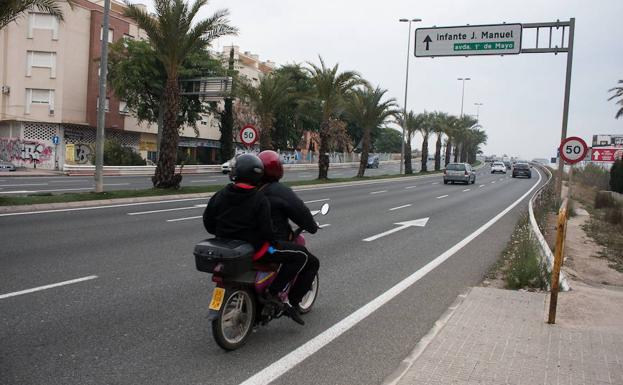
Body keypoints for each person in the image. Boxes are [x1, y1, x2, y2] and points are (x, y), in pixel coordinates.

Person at [202, 153, 305, 325]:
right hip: (260, 250)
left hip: (226, 246)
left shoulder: (220, 194)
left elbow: (208, 222)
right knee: (300, 255)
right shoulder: (259, 200)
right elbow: (267, 232)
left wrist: (223, 235)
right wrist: (274, 243)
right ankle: (273, 292)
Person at [257, 150, 320, 313]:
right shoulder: (278, 190)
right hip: (269, 247)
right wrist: (312, 226)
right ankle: (284, 297)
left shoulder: (248, 189)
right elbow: (300, 211)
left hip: (245, 242)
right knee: (307, 259)